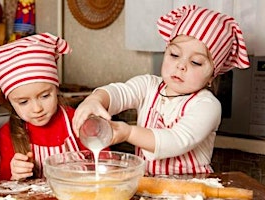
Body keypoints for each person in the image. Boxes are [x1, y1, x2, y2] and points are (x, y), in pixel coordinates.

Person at [72, 4, 250, 175]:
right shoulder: (148, 85)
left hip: (190, 190)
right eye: (174, 54)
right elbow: (120, 92)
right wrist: (95, 100)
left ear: (212, 74)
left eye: (195, 62)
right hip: (147, 186)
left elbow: (176, 140)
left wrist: (129, 132)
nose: (181, 65)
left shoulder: (207, 106)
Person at [0, 32, 89, 180]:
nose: (37, 109)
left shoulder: (78, 121)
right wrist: (15, 176)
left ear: (56, 88)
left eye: (45, 96)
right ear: (10, 102)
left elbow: (105, 167)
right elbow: (4, 187)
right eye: (23, 102)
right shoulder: (7, 135)